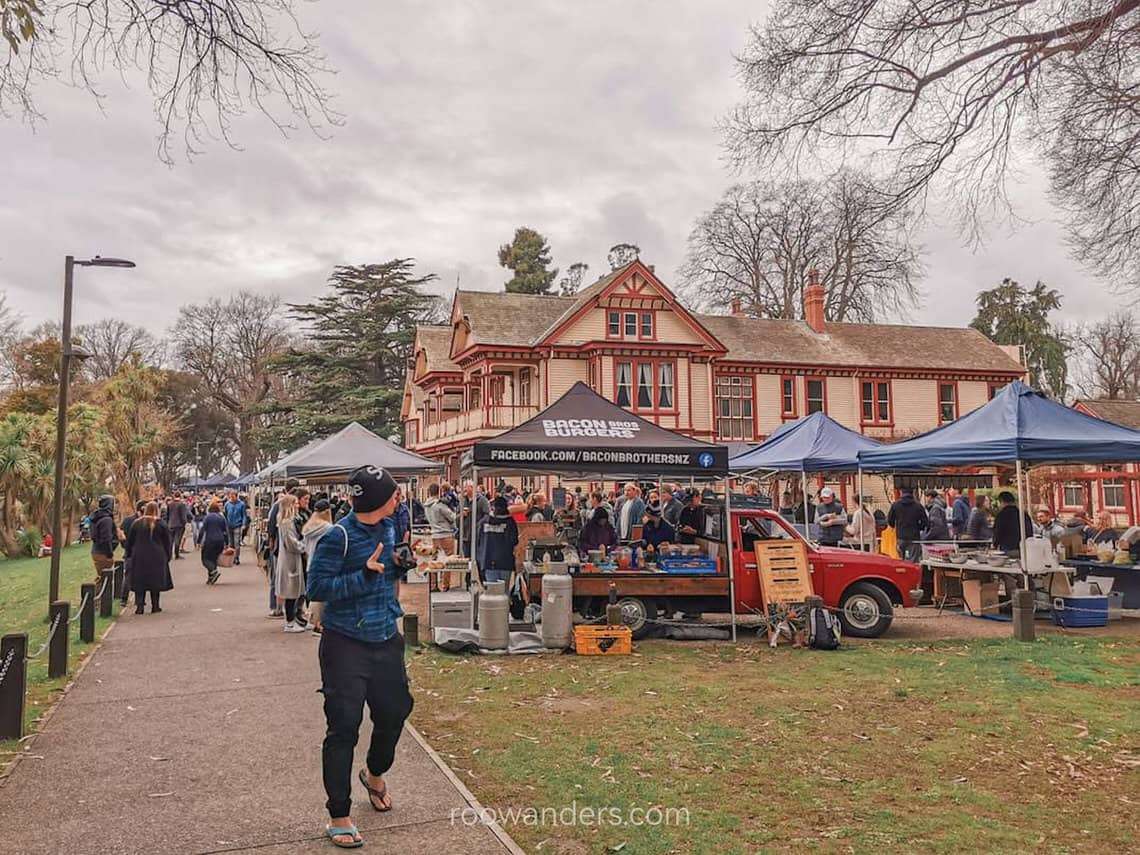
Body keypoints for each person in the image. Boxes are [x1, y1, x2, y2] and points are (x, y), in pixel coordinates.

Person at [307, 465, 414, 848]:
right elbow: (316, 587)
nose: (398, 498)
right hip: (345, 643)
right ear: (376, 500)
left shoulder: (388, 526)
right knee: (343, 727)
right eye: (393, 493)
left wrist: (398, 563)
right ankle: (339, 814)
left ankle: (374, 772)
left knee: (395, 711)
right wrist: (364, 578)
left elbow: (385, 569)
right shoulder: (338, 537)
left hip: (385, 635)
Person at [125, 501, 173, 615]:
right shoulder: (160, 524)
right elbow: (167, 541)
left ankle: (140, 606)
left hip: (139, 555)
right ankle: (155, 606)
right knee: (155, 581)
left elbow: (130, 542)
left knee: (139, 581)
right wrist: (168, 555)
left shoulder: (136, 524)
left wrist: (129, 554)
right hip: (157, 556)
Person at [276, 493, 308, 633]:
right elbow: (291, 543)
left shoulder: (288, 521)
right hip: (290, 561)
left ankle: (292, 620)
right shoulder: (287, 522)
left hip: (291, 560)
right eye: (295, 503)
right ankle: (289, 622)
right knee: (291, 592)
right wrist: (304, 545)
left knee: (293, 592)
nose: (297, 505)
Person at [302, 499, 334, 636]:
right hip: (323, 564)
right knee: (323, 597)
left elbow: (304, 546)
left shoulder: (308, 527)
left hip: (310, 563)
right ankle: (319, 624)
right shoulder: (328, 528)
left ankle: (312, 621)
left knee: (312, 593)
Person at [478, 496, 519, 584]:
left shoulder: (484, 521)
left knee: (492, 591)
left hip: (488, 560)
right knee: (504, 592)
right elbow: (514, 541)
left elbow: (478, 540)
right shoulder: (510, 522)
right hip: (505, 560)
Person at [887, 487, 928, 562]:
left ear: (901, 492)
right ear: (912, 493)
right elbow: (925, 522)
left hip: (901, 537)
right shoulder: (918, 506)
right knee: (913, 561)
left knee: (900, 560)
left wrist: (895, 526)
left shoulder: (895, 505)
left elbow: (890, 520)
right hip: (914, 537)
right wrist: (918, 528)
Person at [118, 500, 146, 606]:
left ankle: (139, 600)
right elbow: (120, 533)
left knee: (139, 576)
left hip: (138, 552)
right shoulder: (131, 521)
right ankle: (124, 599)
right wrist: (125, 544)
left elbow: (120, 532)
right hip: (131, 552)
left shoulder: (129, 520)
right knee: (129, 576)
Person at [199, 500, 229, 585]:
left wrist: (198, 541)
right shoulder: (221, 517)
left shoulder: (207, 517)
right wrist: (227, 543)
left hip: (210, 541)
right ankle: (211, 578)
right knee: (213, 559)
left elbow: (202, 530)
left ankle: (214, 571)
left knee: (205, 559)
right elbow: (225, 531)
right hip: (220, 541)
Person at [89, 495, 118, 582]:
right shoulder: (106, 519)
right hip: (103, 553)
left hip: (96, 550)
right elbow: (106, 539)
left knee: (102, 576)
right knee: (105, 579)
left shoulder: (96, 516)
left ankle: (96, 593)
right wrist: (109, 554)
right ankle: (97, 594)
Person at [458, 480, 490, 558]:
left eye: (466, 487)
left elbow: (487, 515)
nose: (463, 489)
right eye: (463, 487)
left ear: (472, 488)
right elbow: (456, 516)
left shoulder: (482, 500)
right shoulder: (462, 501)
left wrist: (478, 525)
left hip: (478, 536)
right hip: (465, 536)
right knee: (467, 559)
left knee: (477, 559)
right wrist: (461, 515)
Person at [223, 489, 248, 565]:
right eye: (230, 497)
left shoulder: (241, 504)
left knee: (237, 542)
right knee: (231, 543)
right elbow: (225, 514)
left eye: (233, 497)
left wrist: (243, 524)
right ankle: (231, 557)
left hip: (238, 525)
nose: (231, 498)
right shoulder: (227, 504)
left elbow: (244, 515)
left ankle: (236, 557)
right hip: (229, 525)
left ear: (236, 496)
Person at [166, 492, 191, 560]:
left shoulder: (170, 504)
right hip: (179, 524)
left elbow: (167, 515)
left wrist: (167, 523)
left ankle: (169, 555)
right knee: (177, 540)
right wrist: (184, 523)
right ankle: (176, 554)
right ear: (180, 496)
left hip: (171, 524)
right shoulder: (181, 504)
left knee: (171, 540)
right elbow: (183, 516)